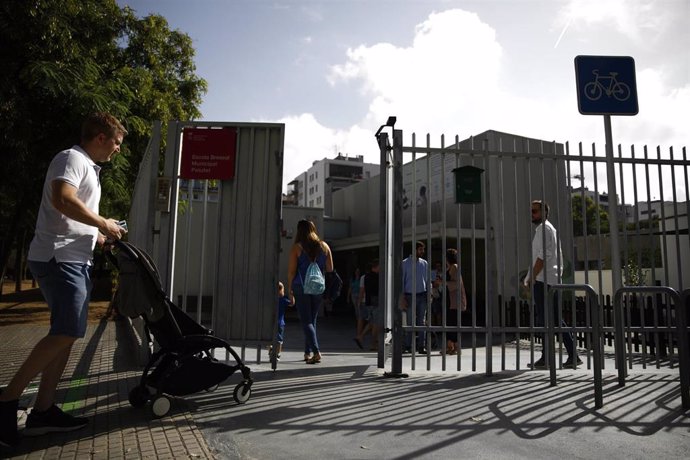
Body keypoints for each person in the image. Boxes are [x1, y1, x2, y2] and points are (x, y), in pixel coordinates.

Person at [0, 113, 127, 448]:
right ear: (100, 137)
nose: (117, 150)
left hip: (73, 258)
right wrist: (102, 222)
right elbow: (62, 199)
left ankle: (43, 412)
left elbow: (70, 214)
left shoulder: (88, 168)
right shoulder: (71, 158)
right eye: (116, 143)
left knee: (66, 335)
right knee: (68, 331)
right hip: (60, 259)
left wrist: (99, 234)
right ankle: (7, 400)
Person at [523, 200, 581, 369]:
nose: (531, 214)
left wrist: (532, 276)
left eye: (534, 211)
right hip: (547, 279)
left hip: (545, 280)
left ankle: (548, 358)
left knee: (546, 319)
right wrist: (529, 277)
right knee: (554, 319)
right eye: (531, 211)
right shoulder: (546, 229)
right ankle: (572, 355)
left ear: (543, 213)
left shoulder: (545, 229)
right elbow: (539, 257)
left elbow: (544, 256)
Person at [287, 219, 333, 365]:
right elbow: (330, 269)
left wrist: (290, 289)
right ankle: (307, 353)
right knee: (312, 320)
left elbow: (292, 271)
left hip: (301, 287)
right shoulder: (324, 246)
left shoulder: (297, 248)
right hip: (318, 287)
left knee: (306, 320)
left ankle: (316, 351)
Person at [434, 248, 467, 355]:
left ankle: (453, 347)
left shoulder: (455, 267)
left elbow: (455, 284)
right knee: (450, 323)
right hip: (450, 298)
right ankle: (452, 347)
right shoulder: (450, 267)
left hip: (455, 300)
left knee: (452, 323)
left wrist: (443, 282)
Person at [400, 241, 429, 354]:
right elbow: (401, 281)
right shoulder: (405, 263)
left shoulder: (424, 263)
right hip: (409, 295)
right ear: (414, 249)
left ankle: (421, 346)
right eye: (420, 249)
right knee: (410, 322)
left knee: (421, 322)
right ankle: (408, 345)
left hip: (422, 295)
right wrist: (402, 297)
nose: (422, 251)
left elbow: (427, 280)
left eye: (423, 249)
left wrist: (429, 293)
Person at [355, 259, 380, 351]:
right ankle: (373, 344)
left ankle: (360, 336)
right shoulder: (377, 277)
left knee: (372, 322)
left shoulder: (365, 277)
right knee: (375, 323)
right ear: (376, 267)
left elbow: (363, 290)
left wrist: (360, 301)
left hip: (369, 301)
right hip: (376, 301)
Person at [270, 281, 292, 361]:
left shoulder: (272, 299)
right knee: (279, 340)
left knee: (272, 339)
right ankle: (277, 354)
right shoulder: (283, 299)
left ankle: (273, 351)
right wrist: (291, 294)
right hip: (280, 323)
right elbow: (292, 303)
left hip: (273, 323)